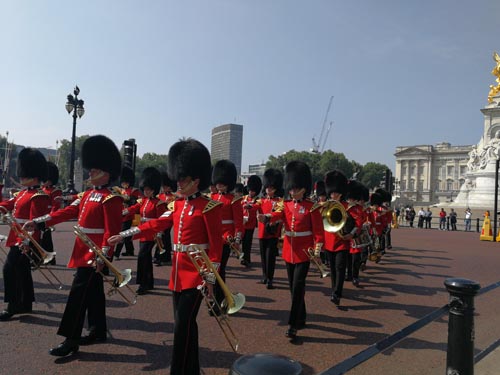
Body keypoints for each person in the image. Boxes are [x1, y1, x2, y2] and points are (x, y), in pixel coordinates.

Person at [108, 138, 223, 375]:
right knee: (185, 325)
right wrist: (126, 233)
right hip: (178, 274)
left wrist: (211, 279)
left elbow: (216, 247)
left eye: (182, 179)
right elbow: (157, 224)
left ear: (196, 180)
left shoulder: (209, 207)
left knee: (182, 326)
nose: (178, 182)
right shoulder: (178, 206)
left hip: (197, 275)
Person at [26, 135, 123, 356]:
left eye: (94, 169)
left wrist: (103, 256)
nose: (90, 173)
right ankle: (98, 330)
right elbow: (67, 212)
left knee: (78, 294)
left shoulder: (112, 198)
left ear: (106, 172)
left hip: (95, 254)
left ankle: (71, 339)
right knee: (94, 292)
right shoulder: (88, 194)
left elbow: (111, 232)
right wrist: (41, 222)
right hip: (82, 250)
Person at [262, 161, 324, 340]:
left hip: (304, 252)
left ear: (304, 189)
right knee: (293, 288)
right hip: (289, 250)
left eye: (296, 188)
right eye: (291, 188)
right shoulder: (286, 204)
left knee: (297, 287)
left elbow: (318, 232)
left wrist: (317, 250)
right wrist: (266, 217)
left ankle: (293, 324)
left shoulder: (312, 207)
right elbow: (277, 215)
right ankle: (302, 315)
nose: (292, 191)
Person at [0, 148, 51, 321]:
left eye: (24, 174)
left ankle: (12, 305)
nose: (21, 177)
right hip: (17, 236)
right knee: (22, 270)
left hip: (24, 240)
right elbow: (9, 203)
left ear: (33, 175)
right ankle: (26, 302)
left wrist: (28, 243)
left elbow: (34, 223)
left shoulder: (38, 196)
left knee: (9, 269)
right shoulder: (23, 193)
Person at [122, 167, 166, 295]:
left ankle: (143, 284)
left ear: (154, 189)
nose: (146, 192)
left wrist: (159, 234)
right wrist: (121, 212)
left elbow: (162, 220)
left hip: (152, 233)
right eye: (145, 189)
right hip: (142, 232)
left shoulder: (159, 203)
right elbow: (132, 208)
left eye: (149, 189)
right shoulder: (143, 201)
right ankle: (149, 282)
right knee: (145, 258)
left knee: (142, 257)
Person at [210, 160, 244, 313]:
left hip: (225, 240)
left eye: (223, 183)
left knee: (219, 271)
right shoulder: (211, 197)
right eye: (218, 182)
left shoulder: (234, 200)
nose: (220, 185)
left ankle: (219, 302)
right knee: (212, 271)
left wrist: (236, 240)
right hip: (212, 239)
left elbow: (238, 223)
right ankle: (216, 299)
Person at [322, 170, 350, 306]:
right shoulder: (326, 206)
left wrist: (351, 233)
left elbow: (353, 225)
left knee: (340, 267)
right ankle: (334, 290)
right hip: (329, 242)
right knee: (332, 268)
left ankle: (337, 293)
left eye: (336, 193)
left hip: (342, 242)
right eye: (332, 193)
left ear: (341, 193)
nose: (334, 195)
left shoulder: (346, 207)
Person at [255, 168, 284, 289]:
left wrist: (269, 217)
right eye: (267, 188)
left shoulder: (279, 201)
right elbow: (254, 206)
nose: (269, 190)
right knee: (263, 256)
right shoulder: (261, 200)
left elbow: (279, 213)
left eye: (271, 188)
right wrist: (248, 206)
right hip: (262, 232)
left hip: (273, 232)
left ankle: (270, 278)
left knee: (270, 256)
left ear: (275, 189)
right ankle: (264, 276)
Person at [114, 166, 142, 259]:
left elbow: (140, 201)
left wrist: (131, 200)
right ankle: (130, 250)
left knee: (122, 233)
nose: (123, 184)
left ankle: (116, 253)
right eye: (122, 182)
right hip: (120, 214)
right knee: (126, 233)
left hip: (129, 215)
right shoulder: (121, 190)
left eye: (125, 182)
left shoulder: (134, 191)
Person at [41, 161, 63, 265]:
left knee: (46, 239)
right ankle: (45, 258)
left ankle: (50, 259)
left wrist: (51, 218)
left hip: (47, 217)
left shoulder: (55, 191)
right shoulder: (42, 189)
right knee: (41, 239)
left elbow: (55, 206)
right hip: (39, 216)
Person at [153, 171, 177, 266]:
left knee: (164, 236)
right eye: (163, 186)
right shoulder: (159, 196)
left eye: (166, 186)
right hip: (160, 219)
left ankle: (162, 257)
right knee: (159, 237)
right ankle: (160, 256)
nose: (164, 188)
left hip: (169, 219)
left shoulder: (174, 197)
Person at [240, 175, 262, 267]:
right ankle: (243, 257)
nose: (250, 192)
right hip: (242, 223)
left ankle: (247, 259)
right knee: (242, 241)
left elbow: (256, 206)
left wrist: (249, 206)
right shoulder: (243, 198)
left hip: (250, 224)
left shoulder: (257, 200)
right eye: (249, 190)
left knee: (248, 243)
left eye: (252, 191)